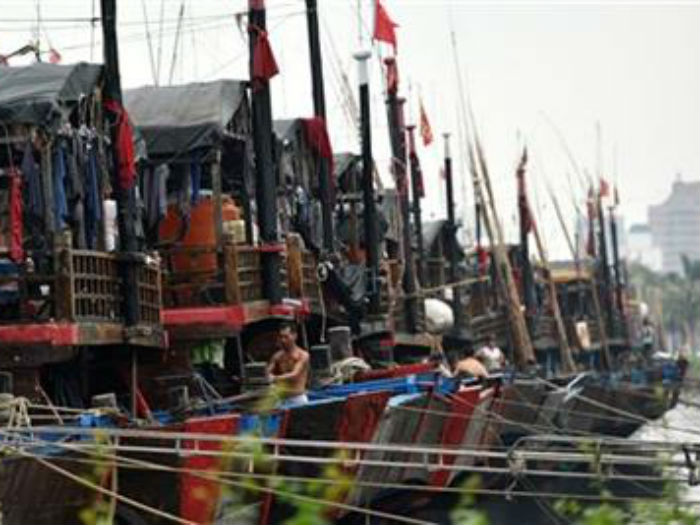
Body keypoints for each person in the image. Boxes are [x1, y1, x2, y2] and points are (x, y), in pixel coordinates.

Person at [267, 323, 310, 406]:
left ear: (294, 336)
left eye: (286, 337)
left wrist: (274, 378)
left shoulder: (303, 355)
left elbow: (294, 374)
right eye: (281, 337)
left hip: (298, 399)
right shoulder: (277, 356)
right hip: (281, 399)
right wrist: (266, 376)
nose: (283, 340)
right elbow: (268, 372)